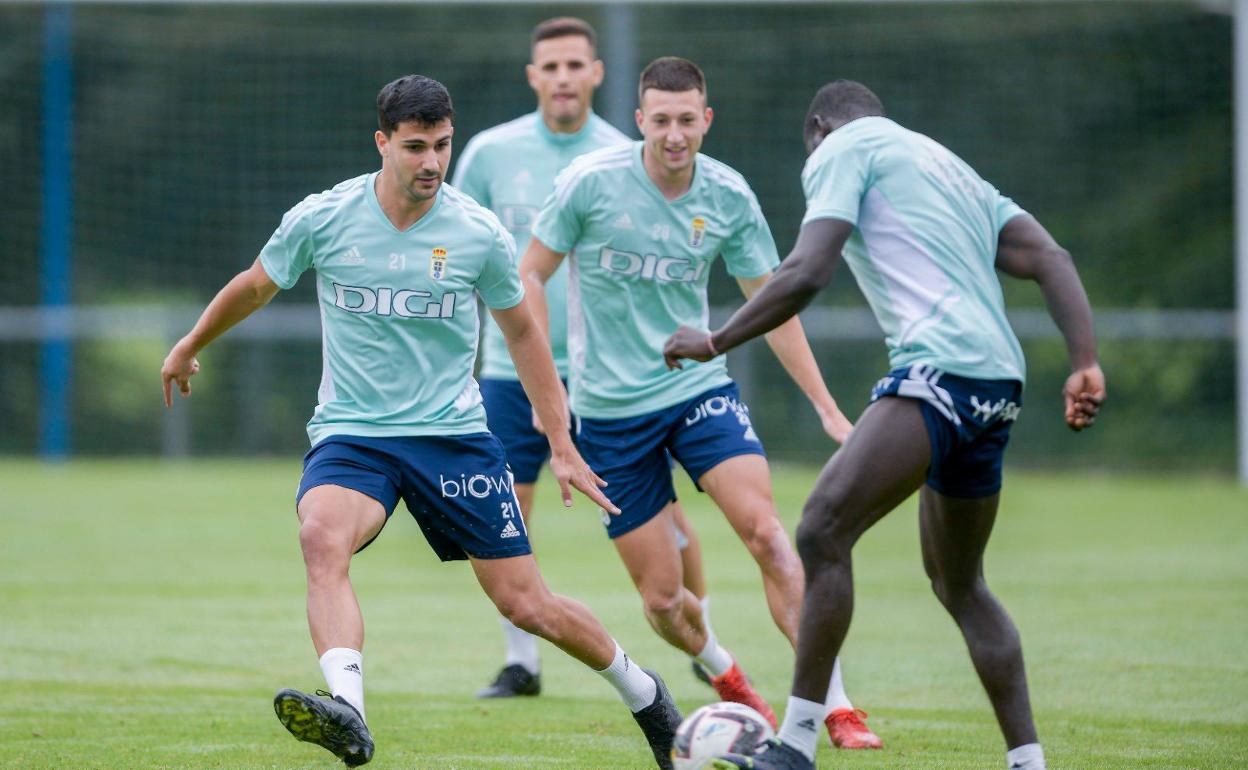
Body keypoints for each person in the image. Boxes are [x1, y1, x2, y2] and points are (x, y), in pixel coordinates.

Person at [160, 74, 683, 770]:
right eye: (414, 147)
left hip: (453, 440)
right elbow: (257, 283)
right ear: (382, 143)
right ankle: (349, 709)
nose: (431, 162)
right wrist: (192, 343)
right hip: (354, 435)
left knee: (525, 605)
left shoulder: (476, 233)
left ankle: (646, 694)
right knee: (321, 538)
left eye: (441, 145)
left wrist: (559, 442)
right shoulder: (325, 216)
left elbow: (525, 334)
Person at [664, 80, 1105, 770]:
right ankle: (1029, 763)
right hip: (998, 385)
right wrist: (1084, 361)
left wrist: (717, 340)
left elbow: (810, 268)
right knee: (961, 584)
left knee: (821, 526)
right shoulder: (946, 165)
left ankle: (797, 746)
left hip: (941, 373)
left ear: (818, 128)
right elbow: (1049, 258)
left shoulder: (844, 147)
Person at [520, 57, 881, 750]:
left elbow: (772, 304)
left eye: (688, 120)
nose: (675, 134)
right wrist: (549, 391)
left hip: (697, 392)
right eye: (661, 120)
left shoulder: (727, 196)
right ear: (640, 121)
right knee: (662, 601)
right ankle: (722, 671)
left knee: (772, 537)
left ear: (706, 120)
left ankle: (830, 707)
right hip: (610, 415)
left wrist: (827, 407)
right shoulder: (589, 185)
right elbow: (529, 275)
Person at [452, 17, 715, 700]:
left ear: (597, 74)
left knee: (663, 512)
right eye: (552, 66)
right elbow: (456, 248)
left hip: (610, 374)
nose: (564, 77)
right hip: (510, 372)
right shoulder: (487, 152)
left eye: (576, 65)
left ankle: (701, 635)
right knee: (507, 508)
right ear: (533, 76)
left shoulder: (626, 155)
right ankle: (522, 662)